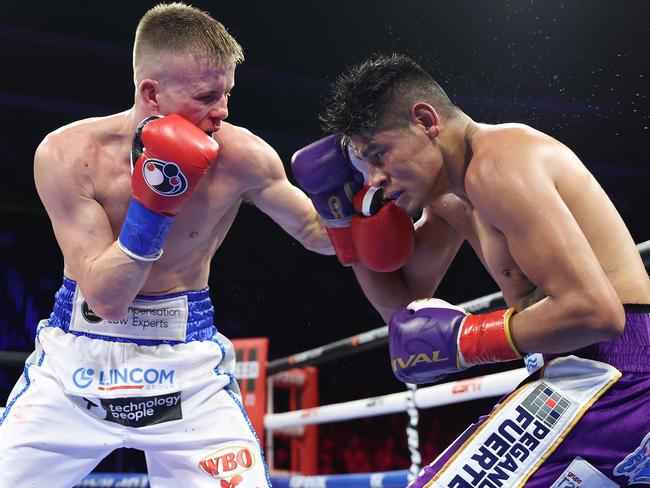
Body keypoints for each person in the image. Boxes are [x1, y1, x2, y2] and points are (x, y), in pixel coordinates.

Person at [0, 3, 334, 487]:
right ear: (151, 92)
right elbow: (107, 299)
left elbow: (317, 234)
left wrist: (366, 203)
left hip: (186, 365)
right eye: (207, 96)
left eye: (227, 94)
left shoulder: (243, 157)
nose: (223, 111)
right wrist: (156, 203)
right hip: (79, 361)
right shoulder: (69, 155)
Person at [292, 54, 650, 487]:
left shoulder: (501, 162)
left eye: (379, 154)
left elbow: (597, 314)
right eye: (366, 167)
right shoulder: (452, 198)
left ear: (425, 120)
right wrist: (340, 222)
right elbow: (405, 318)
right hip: (584, 373)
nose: (374, 178)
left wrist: (469, 339)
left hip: (619, 371)